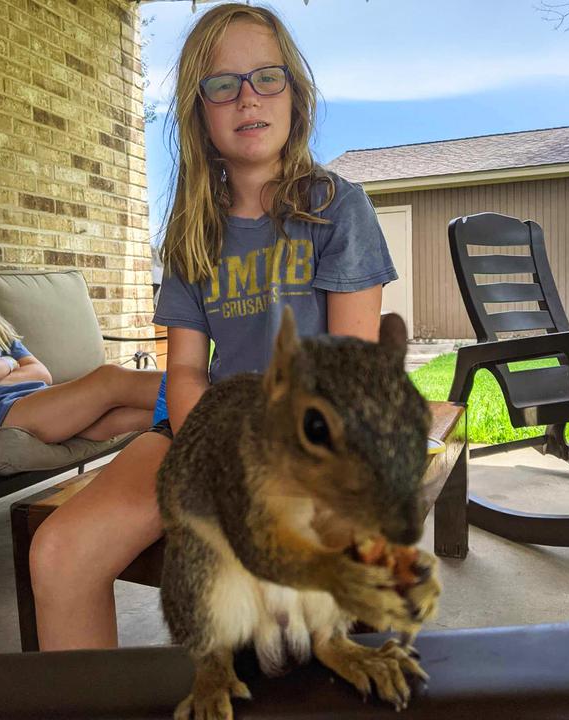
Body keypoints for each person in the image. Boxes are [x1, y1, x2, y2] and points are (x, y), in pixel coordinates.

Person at [29, 3, 397, 651]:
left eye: (266, 77)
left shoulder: (339, 210)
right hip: (202, 432)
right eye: (221, 85)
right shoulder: (193, 233)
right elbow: (186, 372)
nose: (246, 97)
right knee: (59, 551)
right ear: (200, 115)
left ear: (296, 96)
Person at [0, 297, 161, 443]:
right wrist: (9, 363)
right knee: (109, 379)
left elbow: (41, 374)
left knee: (142, 414)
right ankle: (187, 389)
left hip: (36, 398)